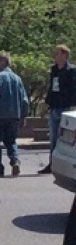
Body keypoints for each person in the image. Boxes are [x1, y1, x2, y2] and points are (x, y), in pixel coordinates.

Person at [0, 51, 30, 178]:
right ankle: (15, 160)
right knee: (11, 141)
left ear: (3, 61)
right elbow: (24, 100)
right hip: (14, 115)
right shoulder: (17, 78)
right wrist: (23, 115)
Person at [39, 44, 76, 174]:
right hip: (54, 107)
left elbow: (73, 90)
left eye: (57, 54)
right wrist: (46, 105)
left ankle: (64, 165)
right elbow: (51, 89)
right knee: (53, 138)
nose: (55, 56)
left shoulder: (71, 70)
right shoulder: (54, 70)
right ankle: (51, 164)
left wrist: (72, 107)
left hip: (66, 108)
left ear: (65, 56)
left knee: (65, 140)